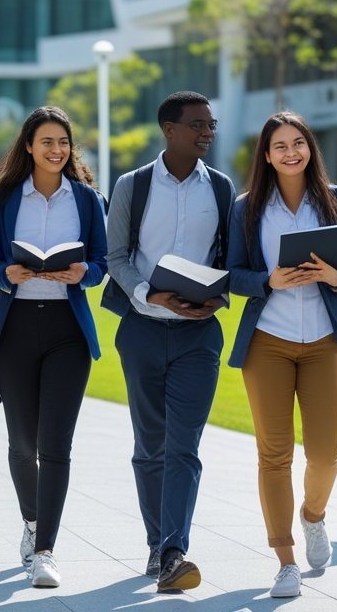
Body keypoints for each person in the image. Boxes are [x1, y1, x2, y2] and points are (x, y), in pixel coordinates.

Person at [225, 111, 337, 599]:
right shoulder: (246, 208)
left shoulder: (335, 199)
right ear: (267, 156)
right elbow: (232, 274)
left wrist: (336, 276)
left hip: (325, 341)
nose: (291, 153)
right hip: (267, 341)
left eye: (299, 143)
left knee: (325, 454)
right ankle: (285, 560)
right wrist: (268, 280)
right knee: (274, 454)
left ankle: (314, 515)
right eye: (280, 146)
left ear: (310, 148)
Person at [103, 91, 235, 592]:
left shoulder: (221, 188)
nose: (207, 132)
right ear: (169, 129)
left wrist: (217, 297)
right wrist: (149, 294)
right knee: (149, 447)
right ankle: (159, 545)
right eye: (197, 124)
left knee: (184, 446)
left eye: (211, 124)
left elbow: (229, 257)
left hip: (199, 334)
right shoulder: (132, 186)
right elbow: (116, 256)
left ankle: (174, 551)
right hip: (141, 329)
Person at [0, 105, 108, 590]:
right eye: (47, 142)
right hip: (15, 328)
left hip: (67, 330)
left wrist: (84, 273)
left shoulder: (88, 200)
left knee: (56, 445)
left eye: (63, 142)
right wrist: (6, 273)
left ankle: (46, 550)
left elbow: (101, 262)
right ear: (29, 146)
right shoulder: (7, 198)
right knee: (22, 443)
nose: (56, 150)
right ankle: (32, 522)